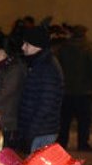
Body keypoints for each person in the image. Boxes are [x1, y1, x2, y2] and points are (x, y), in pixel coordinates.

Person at [16, 25, 65, 153]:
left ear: (37, 46)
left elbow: (46, 104)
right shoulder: (38, 63)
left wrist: (31, 131)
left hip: (41, 132)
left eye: (27, 44)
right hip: (38, 130)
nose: (23, 47)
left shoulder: (47, 67)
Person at [55, 25, 92, 151]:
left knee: (65, 119)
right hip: (84, 90)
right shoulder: (88, 48)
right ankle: (83, 143)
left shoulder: (64, 47)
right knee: (84, 120)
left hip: (67, 89)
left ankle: (62, 142)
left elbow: (59, 66)